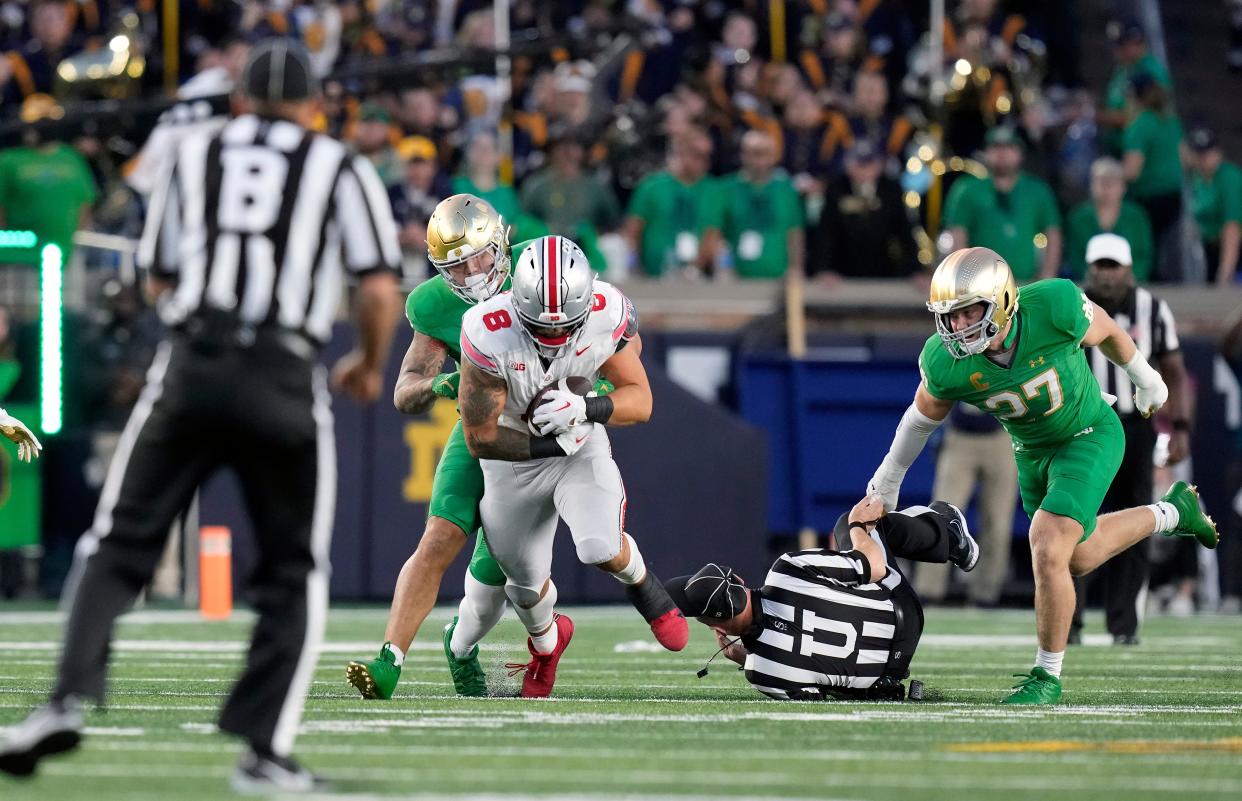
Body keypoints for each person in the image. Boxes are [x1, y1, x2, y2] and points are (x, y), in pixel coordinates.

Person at [0, 40, 402, 790]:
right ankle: (263, 751)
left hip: (191, 364)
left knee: (117, 541)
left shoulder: (192, 154)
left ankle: (63, 701)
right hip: (283, 369)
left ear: (240, 100)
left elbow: (157, 276)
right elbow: (378, 289)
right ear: (314, 106)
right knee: (293, 570)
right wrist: (369, 364)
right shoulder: (337, 164)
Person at [865, 246, 1218, 704]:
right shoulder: (946, 360)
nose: (957, 327)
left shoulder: (1053, 306)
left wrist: (1144, 376)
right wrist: (888, 479)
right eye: (949, 316)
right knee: (1076, 557)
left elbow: (1107, 330)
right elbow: (919, 420)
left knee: (1047, 546)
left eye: (968, 312)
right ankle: (1172, 512)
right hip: (1032, 452)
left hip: (1089, 431)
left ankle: (1046, 677)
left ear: (1004, 302)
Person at [457, 235, 689, 696]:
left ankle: (646, 588)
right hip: (512, 463)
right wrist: (552, 441)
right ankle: (546, 648)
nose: (555, 339)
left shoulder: (607, 312)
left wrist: (585, 410)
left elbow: (640, 401)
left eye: (566, 329)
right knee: (523, 589)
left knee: (599, 546)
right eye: (542, 329)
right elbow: (479, 438)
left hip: (580, 448)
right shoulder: (487, 330)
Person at [346, 194, 535, 701]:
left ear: (503, 245)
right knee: (438, 536)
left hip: (544, 436)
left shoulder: (541, 268)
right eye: (456, 265)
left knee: (504, 567)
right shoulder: (435, 304)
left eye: (479, 257)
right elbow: (404, 390)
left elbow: (605, 329)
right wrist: (440, 385)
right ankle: (389, 660)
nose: (473, 273)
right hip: (479, 430)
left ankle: (462, 645)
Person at [666, 496, 979, 700]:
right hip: (903, 615)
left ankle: (949, 536)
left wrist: (748, 658)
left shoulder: (760, 672)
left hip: (887, 676)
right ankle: (949, 536)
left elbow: (817, 693)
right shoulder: (786, 570)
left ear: (715, 623)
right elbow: (872, 565)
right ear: (739, 581)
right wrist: (858, 524)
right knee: (849, 522)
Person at [1070, 233, 1191, 645]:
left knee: (1134, 523)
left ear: (1129, 268)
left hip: (1135, 427)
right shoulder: (1071, 307)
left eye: (1113, 265)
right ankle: (1068, 623)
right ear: (1089, 268)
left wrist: (1180, 426)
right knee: (1072, 523)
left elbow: (1174, 369)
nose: (1107, 273)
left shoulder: (1153, 308)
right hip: (1080, 427)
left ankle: (1125, 626)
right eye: (1100, 265)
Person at [913, 403, 1016, 607]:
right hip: (959, 436)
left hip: (1002, 435)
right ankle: (927, 589)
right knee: (941, 515)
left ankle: (987, 593)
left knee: (997, 522)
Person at [943, 127, 1062, 282]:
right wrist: (963, 279)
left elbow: (1053, 233)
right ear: (985, 152)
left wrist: (1048, 275)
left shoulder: (1037, 190)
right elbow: (958, 235)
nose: (1002, 154)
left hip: (1027, 284)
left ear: (1020, 153)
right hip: (982, 285)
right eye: (996, 147)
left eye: (1009, 147)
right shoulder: (967, 190)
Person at [702, 129, 805, 280]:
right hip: (737, 277)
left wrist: (795, 268)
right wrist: (724, 267)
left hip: (778, 276)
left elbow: (794, 233)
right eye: (751, 153)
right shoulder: (725, 189)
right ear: (742, 155)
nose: (757, 160)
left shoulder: (786, 190)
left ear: (773, 156)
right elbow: (715, 233)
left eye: (763, 153)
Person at [811, 139, 917, 279]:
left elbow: (904, 231)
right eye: (858, 163)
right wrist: (823, 269)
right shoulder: (836, 189)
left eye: (869, 163)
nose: (864, 169)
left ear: (880, 164)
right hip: (842, 273)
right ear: (847, 163)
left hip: (884, 271)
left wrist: (915, 271)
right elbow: (825, 233)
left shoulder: (891, 190)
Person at [623, 129, 718, 277]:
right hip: (653, 275)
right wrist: (634, 266)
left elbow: (713, 233)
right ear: (681, 152)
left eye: (707, 156)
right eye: (696, 154)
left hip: (695, 277)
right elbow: (633, 230)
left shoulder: (713, 190)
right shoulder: (652, 186)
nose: (703, 161)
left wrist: (696, 267)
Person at [1122, 73, 1183, 282]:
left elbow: (1132, 170)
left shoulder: (1141, 124)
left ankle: (1150, 283)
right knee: (1164, 247)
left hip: (1149, 197)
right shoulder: (1171, 121)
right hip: (1174, 196)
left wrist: (1110, 172)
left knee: (1147, 246)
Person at [1064, 157, 1155, 282]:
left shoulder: (1136, 217)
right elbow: (1074, 256)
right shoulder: (1079, 218)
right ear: (1091, 185)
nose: (1106, 187)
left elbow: (1144, 255)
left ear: (1123, 187)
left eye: (1112, 182)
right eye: (1101, 181)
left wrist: (1132, 277)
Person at [1098, 20, 1172, 158]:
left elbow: (1138, 116)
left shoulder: (1151, 70)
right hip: (1119, 147)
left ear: (1136, 42)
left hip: (1146, 155)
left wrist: (1093, 115)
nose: (1117, 50)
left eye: (1122, 45)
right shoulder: (1122, 70)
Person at [1186, 125, 1242, 285]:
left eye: (1208, 152)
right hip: (1209, 246)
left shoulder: (1229, 177)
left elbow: (1232, 227)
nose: (1203, 158)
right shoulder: (1197, 178)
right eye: (1198, 153)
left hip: (1234, 248)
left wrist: (1226, 271)